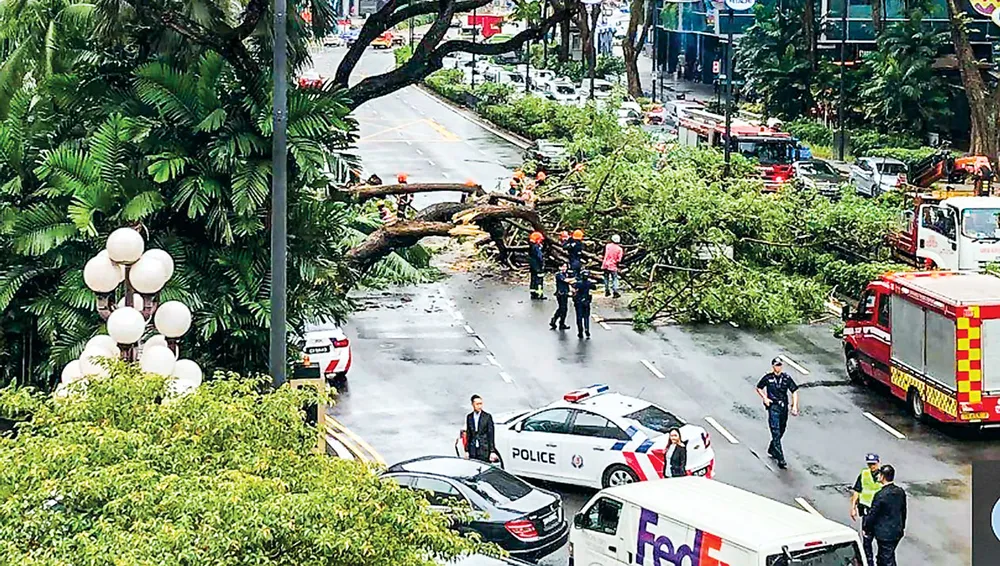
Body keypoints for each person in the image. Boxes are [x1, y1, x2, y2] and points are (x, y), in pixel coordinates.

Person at [755, 357, 799, 469]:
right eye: (776, 365)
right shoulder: (768, 378)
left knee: (782, 429)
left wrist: (794, 406)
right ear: (773, 366)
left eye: (780, 365)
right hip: (773, 406)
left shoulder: (786, 378)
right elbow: (759, 387)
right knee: (775, 431)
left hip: (783, 407)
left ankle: (772, 448)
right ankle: (781, 458)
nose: (778, 367)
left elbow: (794, 391)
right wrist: (765, 398)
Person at [864, 464, 906, 566]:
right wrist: (902, 527)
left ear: (883, 476)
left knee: (886, 559)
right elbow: (903, 511)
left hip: (884, 534)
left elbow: (873, 513)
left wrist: (866, 528)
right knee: (886, 556)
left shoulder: (881, 495)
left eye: (879, 474)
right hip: (897, 531)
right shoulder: (900, 492)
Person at [850, 453, 883, 566]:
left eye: (873, 464)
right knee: (867, 541)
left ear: (878, 463)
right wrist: (853, 508)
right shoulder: (864, 474)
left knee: (881, 541)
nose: (872, 466)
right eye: (870, 464)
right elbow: (857, 491)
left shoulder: (883, 476)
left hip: (879, 513)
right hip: (866, 512)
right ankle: (869, 563)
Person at [464, 394, 497, 463]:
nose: (479, 406)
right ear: (473, 404)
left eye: (480, 404)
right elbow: (469, 434)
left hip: (484, 449)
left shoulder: (487, 417)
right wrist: (467, 450)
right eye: (477, 404)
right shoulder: (469, 417)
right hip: (473, 449)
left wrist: (492, 451)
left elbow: (491, 434)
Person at [550, 263, 574, 330]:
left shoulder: (565, 274)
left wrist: (571, 289)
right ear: (560, 267)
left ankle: (560, 323)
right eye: (563, 266)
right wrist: (574, 278)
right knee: (562, 309)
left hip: (565, 293)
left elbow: (568, 283)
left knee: (563, 309)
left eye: (566, 267)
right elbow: (565, 280)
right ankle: (555, 321)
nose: (565, 268)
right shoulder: (559, 274)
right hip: (560, 294)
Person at [573, 272, 594, 339]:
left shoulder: (578, 283)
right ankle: (587, 329)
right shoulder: (589, 283)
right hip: (586, 301)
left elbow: (574, 287)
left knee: (579, 317)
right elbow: (594, 287)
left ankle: (580, 331)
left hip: (579, 301)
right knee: (586, 317)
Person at [528, 231, 546, 301]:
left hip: (533, 266)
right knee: (539, 280)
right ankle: (539, 294)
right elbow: (539, 256)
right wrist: (542, 263)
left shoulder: (531, 246)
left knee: (533, 279)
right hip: (538, 266)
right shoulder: (536, 247)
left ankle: (533, 294)